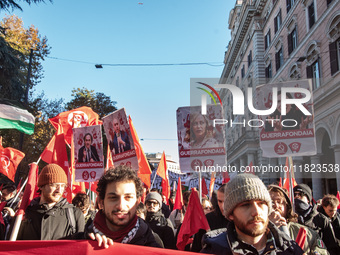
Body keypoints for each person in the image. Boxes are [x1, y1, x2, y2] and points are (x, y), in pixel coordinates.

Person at [201, 173, 304, 255]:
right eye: (245, 205)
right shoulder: (214, 251)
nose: (256, 212)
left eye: (261, 203)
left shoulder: (290, 249)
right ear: (231, 214)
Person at [74, 165, 161, 248]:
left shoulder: (153, 245)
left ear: (138, 202)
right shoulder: (77, 243)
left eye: (128, 197)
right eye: (113, 198)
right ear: (101, 202)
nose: (120, 206)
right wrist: (88, 246)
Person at [13, 164, 85, 240]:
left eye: (63, 185)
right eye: (54, 185)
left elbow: (81, 246)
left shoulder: (74, 214)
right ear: (41, 186)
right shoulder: (25, 214)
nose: (59, 190)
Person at [268, 185, 328, 255]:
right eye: (271, 202)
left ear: (287, 206)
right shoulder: (255, 234)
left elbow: (322, 252)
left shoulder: (306, 233)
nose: (275, 205)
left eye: (279, 202)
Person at [293, 184, 340, 255]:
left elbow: (331, 247)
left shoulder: (321, 219)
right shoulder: (289, 218)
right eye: (294, 194)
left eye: (300, 194)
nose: (296, 197)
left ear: (308, 199)